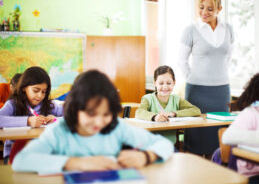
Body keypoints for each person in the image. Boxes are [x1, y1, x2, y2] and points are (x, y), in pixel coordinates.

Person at [12, 70, 174, 173]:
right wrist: (76, 163)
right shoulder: (60, 131)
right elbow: (20, 161)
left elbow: (165, 144)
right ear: (75, 109)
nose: (99, 121)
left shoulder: (116, 127)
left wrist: (146, 156)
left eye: (106, 114)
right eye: (91, 113)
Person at [178, 0, 234, 155]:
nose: (204, 12)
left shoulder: (228, 29)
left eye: (210, 9)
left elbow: (228, 57)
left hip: (221, 90)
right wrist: (194, 78)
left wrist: (220, 75)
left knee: (219, 135)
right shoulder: (191, 30)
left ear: (219, 9)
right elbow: (182, 61)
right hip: (197, 91)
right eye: (201, 7)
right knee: (196, 136)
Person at [0, 67, 63, 164]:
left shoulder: (48, 105)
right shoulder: (13, 104)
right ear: (24, 88)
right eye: (36, 90)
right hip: (14, 154)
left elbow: (71, 114)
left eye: (44, 92)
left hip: (40, 153)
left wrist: (55, 119)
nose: (40, 96)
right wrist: (28, 121)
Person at [135, 65, 201, 144]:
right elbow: (139, 112)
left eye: (169, 83)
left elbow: (196, 110)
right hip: (150, 145)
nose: (165, 87)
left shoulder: (176, 99)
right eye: (161, 83)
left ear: (174, 83)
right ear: (155, 83)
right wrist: (154, 117)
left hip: (170, 145)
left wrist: (174, 113)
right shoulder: (148, 98)